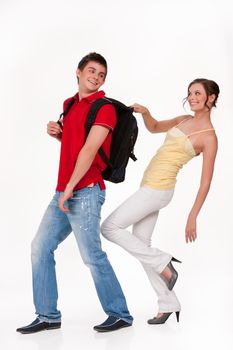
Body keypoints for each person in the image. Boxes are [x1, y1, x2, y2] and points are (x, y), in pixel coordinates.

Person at [16, 52, 133, 334]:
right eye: (91, 71)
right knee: (40, 248)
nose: (96, 77)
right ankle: (47, 315)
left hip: (87, 191)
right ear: (78, 72)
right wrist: (60, 134)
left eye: (101, 75)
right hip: (64, 191)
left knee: (92, 255)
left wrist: (69, 188)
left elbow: (91, 150)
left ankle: (120, 314)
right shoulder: (69, 105)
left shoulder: (104, 108)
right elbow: (75, 145)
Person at [101, 78, 219, 325]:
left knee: (109, 228)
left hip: (159, 189)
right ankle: (168, 302)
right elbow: (154, 127)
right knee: (142, 244)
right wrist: (146, 113)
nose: (192, 97)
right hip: (149, 186)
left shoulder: (209, 137)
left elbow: (205, 182)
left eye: (198, 93)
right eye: (189, 93)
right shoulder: (182, 120)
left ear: (211, 98)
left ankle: (163, 261)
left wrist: (192, 215)